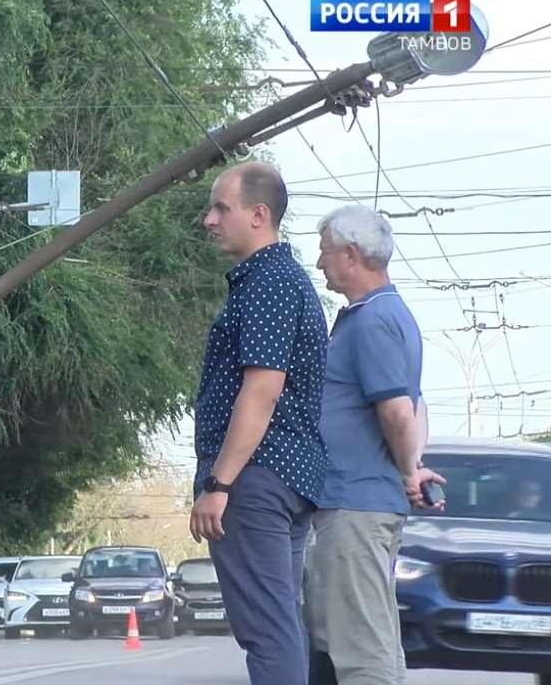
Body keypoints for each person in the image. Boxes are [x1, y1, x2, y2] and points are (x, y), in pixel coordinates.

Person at [190, 161, 329, 685]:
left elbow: (262, 389)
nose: (209, 220)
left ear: (259, 214)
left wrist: (219, 483)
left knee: (267, 630)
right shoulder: (280, 279)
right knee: (281, 623)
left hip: (257, 478)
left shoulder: (269, 282)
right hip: (285, 478)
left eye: (221, 208)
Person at [304, 204, 444, 685]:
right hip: (359, 503)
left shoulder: (373, 321)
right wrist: (413, 464)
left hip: (356, 506)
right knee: (370, 638)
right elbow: (417, 405)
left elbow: (398, 411)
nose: (320, 262)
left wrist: (409, 471)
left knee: (360, 650)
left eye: (324, 252)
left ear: (351, 255)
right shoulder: (380, 314)